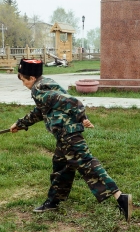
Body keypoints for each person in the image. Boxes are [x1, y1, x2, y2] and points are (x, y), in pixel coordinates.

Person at [10, 59, 132, 222]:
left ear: (32, 78)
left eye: (24, 80)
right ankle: (54, 201)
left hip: (68, 133)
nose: (24, 84)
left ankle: (121, 197)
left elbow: (72, 101)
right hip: (64, 134)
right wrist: (20, 124)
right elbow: (41, 111)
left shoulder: (38, 89)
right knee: (61, 165)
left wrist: (82, 117)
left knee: (87, 164)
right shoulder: (46, 83)